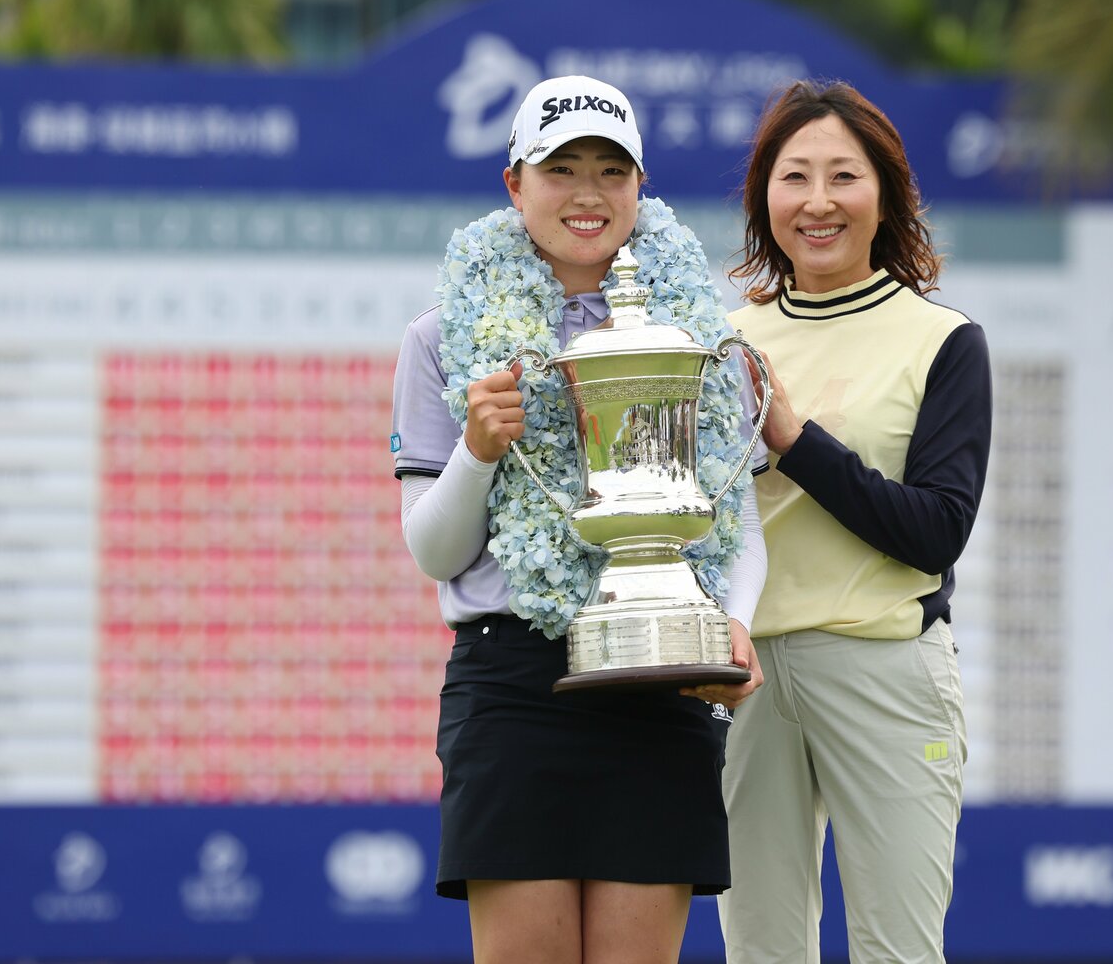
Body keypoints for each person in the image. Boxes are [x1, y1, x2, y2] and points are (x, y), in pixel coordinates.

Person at [389, 75, 768, 964]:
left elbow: (734, 520)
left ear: (642, 187)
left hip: (661, 676)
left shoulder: (703, 333)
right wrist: (480, 450)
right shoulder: (444, 338)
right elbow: (434, 550)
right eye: (561, 170)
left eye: (611, 170)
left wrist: (733, 624)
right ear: (515, 184)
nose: (589, 194)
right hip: (513, 685)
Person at [718, 79, 992, 964]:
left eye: (845, 175)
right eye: (795, 177)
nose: (819, 201)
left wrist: (795, 441)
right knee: (760, 951)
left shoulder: (942, 340)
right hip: (745, 682)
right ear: (766, 199)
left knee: (897, 953)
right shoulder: (721, 342)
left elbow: (935, 531)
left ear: (887, 195)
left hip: (884, 671)